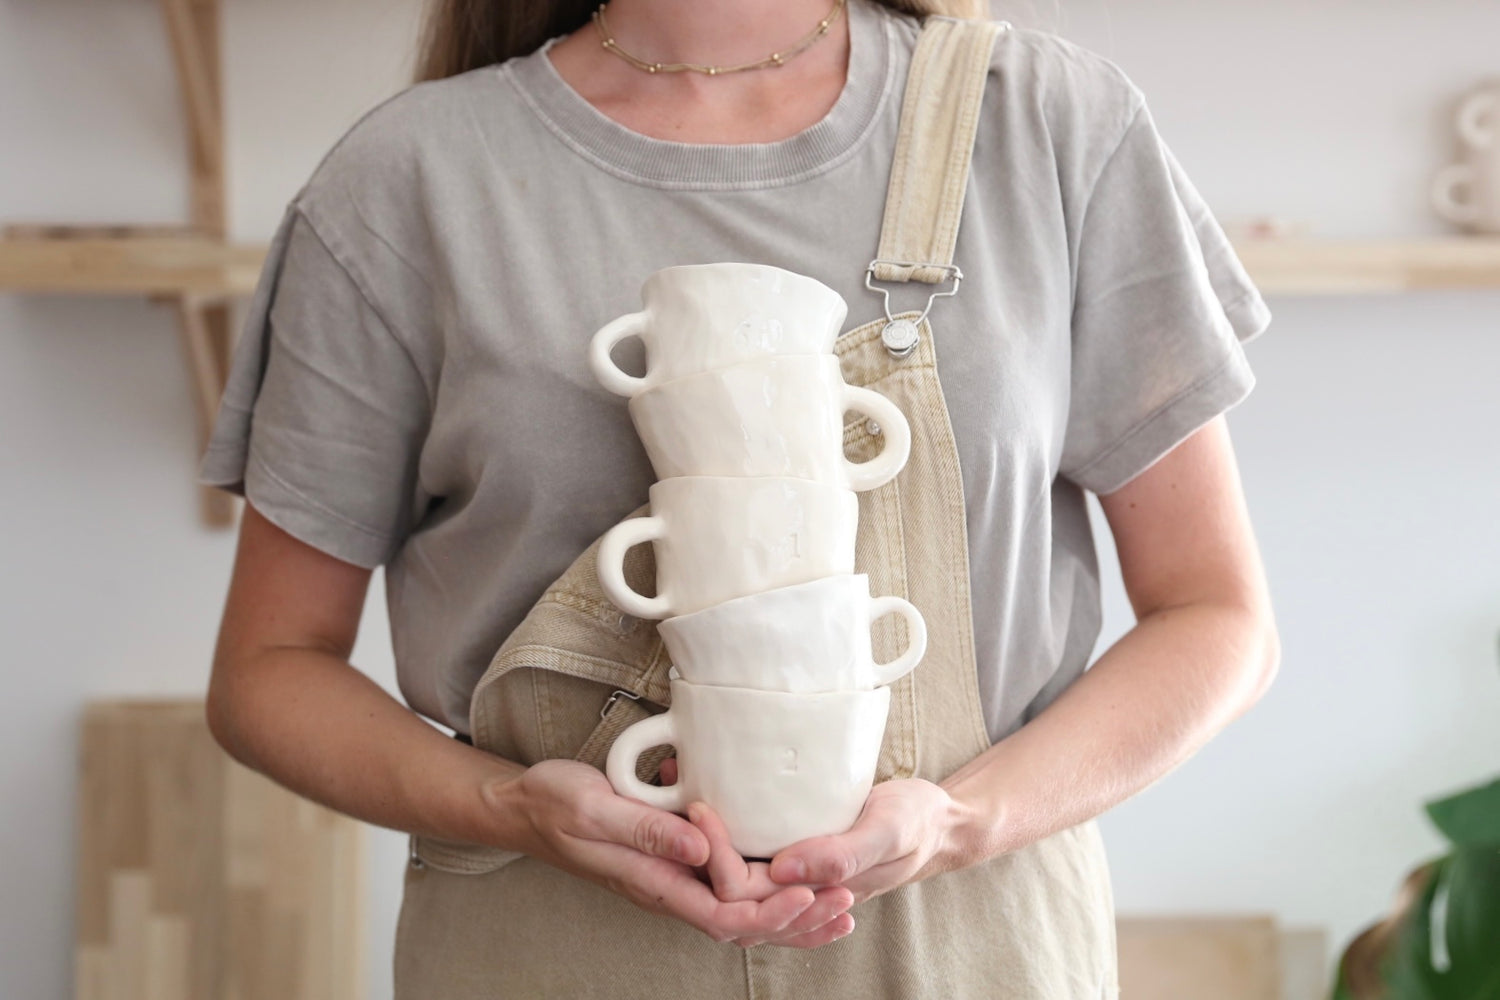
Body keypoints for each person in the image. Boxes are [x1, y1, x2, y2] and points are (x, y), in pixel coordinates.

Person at [199, 0, 1281, 994]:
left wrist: (959, 821)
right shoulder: (407, 180)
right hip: (545, 952)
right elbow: (269, 667)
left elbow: (1216, 617)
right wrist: (511, 807)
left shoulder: (1044, 122)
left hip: (970, 951)